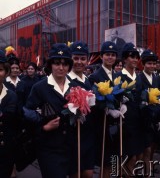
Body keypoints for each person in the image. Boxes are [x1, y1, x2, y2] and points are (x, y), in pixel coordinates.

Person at [24, 43, 75, 178]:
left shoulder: (75, 86)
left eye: (64, 64)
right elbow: (28, 115)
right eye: (56, 63)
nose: (60, 67)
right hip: (48, 148)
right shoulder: (39, 88)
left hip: (71, 146)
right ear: (50, 65)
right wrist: (44, 127)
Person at [89, 41, 121, 177]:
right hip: (102, 125)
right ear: (101, 56)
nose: (110, 57)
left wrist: (122, 105)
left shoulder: (117, 76)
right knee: (105, 161)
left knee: (114, 160)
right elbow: (92, 102)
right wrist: (105, 108)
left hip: (116, 125)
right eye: (107, 54)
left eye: (113, 55)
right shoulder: (95, 77)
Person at [68, 41, 96, 178]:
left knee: (88, 173)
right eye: (76, 58)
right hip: (73, 136)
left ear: (88, 60)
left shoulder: (88, 81)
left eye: (83, 58)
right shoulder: (65, 80)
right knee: (76, 173)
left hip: (88, 135)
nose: (79, 62)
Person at [117, 42, 145, 176]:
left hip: (139, 123)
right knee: (129, 158)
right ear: (124, 59)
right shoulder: (118, 77)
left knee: (138, 157)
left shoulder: (139, 78)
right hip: (125, 125)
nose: (135, 59)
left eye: (136, 57)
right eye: (131, 56)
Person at [136, 49, 160, 176]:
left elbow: (158, 99)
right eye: (149, 63)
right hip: (141, 120)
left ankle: (147, 173)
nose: (152, 66)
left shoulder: (156, 79)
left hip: (152, 119)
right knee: (140, 152)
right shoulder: (139, 78)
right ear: (143, 64)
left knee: (149, 150)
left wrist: (159, 119)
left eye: (154, 63)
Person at [0, 50, 18, 178]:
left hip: (5, 153)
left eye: (0, 70)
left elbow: (18, 122)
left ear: (6, 72)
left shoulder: (12, 96)